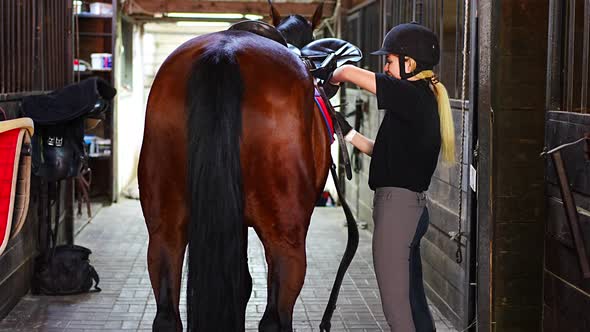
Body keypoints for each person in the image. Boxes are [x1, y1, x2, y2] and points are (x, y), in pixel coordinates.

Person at [327, 23, 455, 332]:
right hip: (410, 209)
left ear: (409, 63)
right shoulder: (420, 101)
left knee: (396, 310)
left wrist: (329, 74)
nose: (385, 66)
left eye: (389, 60)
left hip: (397, 212)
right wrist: (346, 132)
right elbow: (383, 152)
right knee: (412, 301)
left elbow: (348, 74)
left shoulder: (410, 95)